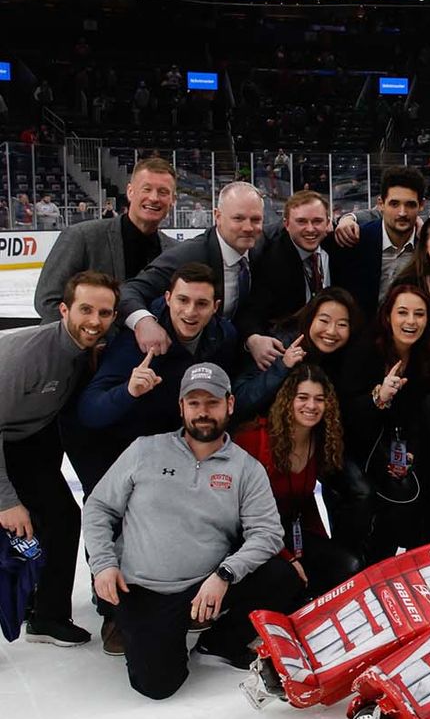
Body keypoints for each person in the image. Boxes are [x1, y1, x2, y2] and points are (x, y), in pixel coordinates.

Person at [82, 363, 298, 699]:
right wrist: (103, 564)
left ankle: (218, 641)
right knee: (156, 685)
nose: (203, 412)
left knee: (282, 578)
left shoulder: (245, 468)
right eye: (194, 403)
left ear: (229, 404)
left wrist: (224, 575)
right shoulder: (144, 450)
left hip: (204, 585)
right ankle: (127, 622)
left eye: (211, 403)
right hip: (141, 587)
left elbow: (268, 532)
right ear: (181, 407)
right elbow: (99, 507)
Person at [0, 271, 118, 646]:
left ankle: (47, 615)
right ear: (63, 309)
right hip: (6, 436)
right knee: (18, 519)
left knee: (61, 517)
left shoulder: (87, 349)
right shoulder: (27, 356)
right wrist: (6, 501)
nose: (95, 321)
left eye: (104, 312)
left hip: (30, 436)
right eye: (85, 309)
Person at [70, 262, 239, 518]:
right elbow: (90, 411)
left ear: (215, 307)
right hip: (114, 455)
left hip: (170, 456)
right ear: (168, 298)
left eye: (201, 304)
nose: (190, 312)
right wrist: (128, 391)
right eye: (182, 300)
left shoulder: (223, 336)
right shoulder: (136, 343)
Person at [339, 284, 430, 563]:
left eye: (419, 314)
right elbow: (346, 415)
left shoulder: (429, 353)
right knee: (370, 496)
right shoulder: (365, 350)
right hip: (354, 443)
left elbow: (421, 416)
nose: (411, 322)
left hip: (395, 442)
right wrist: (379, 397)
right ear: (388, 316)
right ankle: (360, 562)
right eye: (403, 313)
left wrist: (411, 451)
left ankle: (418, 549)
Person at [233, 366, 361, 600]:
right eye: (302, 397)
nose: (311, 406)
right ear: (287, 400)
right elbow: (241, 515)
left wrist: (321, 542)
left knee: (348, 566)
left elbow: (305, 500)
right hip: (251, 536)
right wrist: (288, 557)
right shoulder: (254, 439)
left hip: (289, 531)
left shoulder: (318, 441)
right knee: (290, 580)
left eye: (319, 399)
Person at [119, 181, 267, 348]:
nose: (248, 227)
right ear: (217, 216)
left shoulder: (260, 247)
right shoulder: (189, 255)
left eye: (255, 219)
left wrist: (252, 337)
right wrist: (144, 322)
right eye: (238, 218)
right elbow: (128, 291)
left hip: (231, 351)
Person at [34, 156, 174, 319]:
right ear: (130, 191)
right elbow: (47, 301)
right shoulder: (82, 236)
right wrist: (94, 336)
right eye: (146, 189)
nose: (154, 198)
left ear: (173, 200)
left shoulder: (174, 251)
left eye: (163, 192)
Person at [234, 190, 333, 371]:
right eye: (301, 222)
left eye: (317, 221)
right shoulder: (271, 260)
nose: (310, 229)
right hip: (290, 353)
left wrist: (351, 218)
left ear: (328, 222)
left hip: (334, 349)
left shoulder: (338, 246)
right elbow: (252, 309)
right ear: (286, 224)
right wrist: (253, 338)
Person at [233, 288, 362, 422]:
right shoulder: (281, 344)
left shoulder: (347, 352)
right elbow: (240, 401)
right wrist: (282, 366)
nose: (331, 331)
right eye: (324, 321)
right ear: (310, 318)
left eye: (342, 324)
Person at [329, 165, 428, 317]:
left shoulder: (428, 246)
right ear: (381, 204)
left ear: (421, 205)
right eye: (394, 204)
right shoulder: (354, 242)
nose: (402, 212)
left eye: (410, 204)